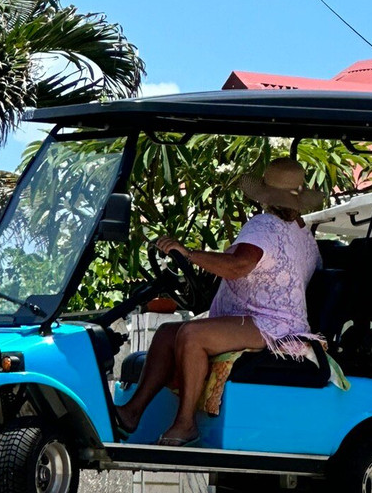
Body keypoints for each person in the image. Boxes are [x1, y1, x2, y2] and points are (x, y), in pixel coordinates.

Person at [115, 157, 324, 446]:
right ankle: (131, 412)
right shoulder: (304, 233)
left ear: (265, 196)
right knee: (166, 334)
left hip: (271, 324)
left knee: (192, 335)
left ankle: (186, 423)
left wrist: (188, 254)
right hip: (276, 319)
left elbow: (238, 266)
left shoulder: (264, 226)